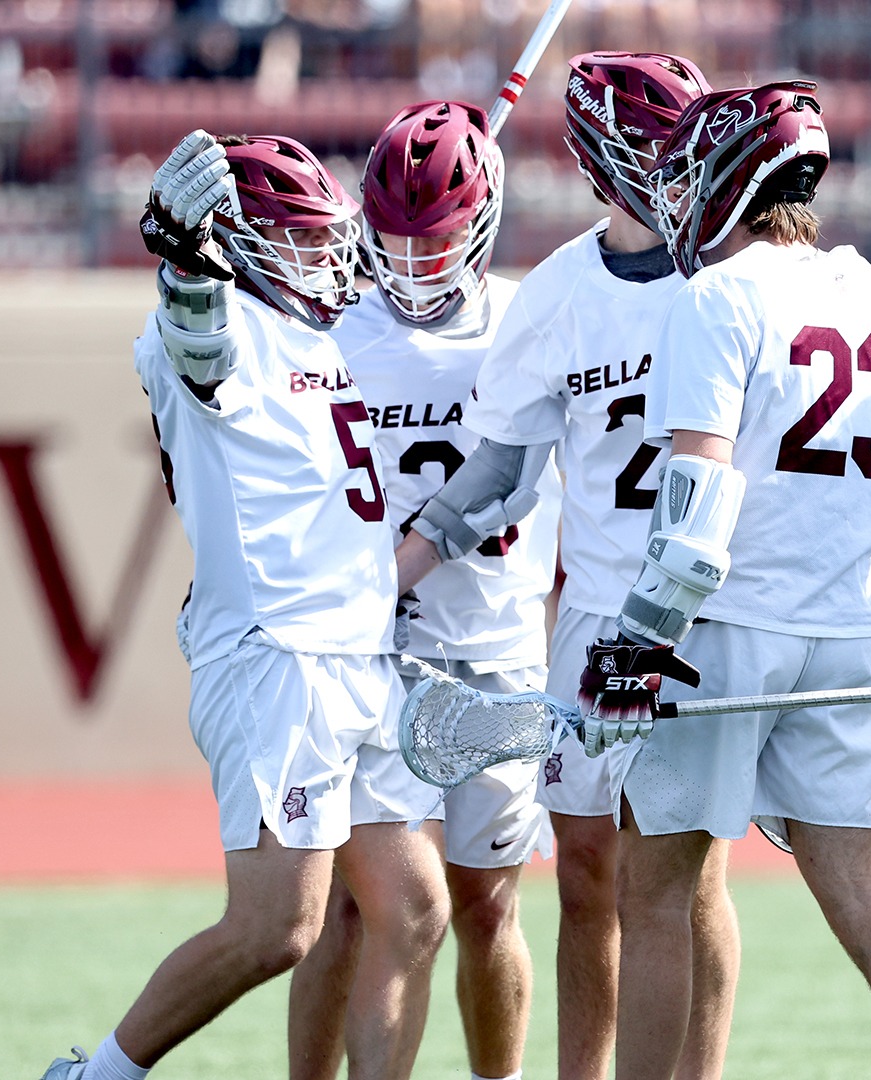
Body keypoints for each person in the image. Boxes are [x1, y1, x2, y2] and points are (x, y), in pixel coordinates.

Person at [574, 80, 871, 1080]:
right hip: (839, 636)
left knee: (657, 895)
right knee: (863, 893)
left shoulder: (716, 298)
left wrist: (637, 646)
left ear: (732, 178)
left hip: (721, 634)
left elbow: (696, 513)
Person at [41, 132, 448, 1080]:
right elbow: (195, 332)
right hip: (281, 660)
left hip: (354, 658)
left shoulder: (314, 332)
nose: (326, 256)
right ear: (243, 242)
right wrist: (184, 261)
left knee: (414, 907)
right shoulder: (214, 331)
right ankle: (96, 1075)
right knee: (278, 930)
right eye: (301, 240)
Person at [391, 53, 741, 1080]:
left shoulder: (736, 274)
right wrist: (387, 582)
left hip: (704, 616)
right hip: (595, 619)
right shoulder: (555, 297)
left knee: (684, 874)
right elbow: (497, 475)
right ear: (599, 158)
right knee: (586, 870)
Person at [282, 100, 558, 1080]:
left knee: (489, 905)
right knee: (362, 909)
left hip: (497, 643)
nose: (412, 266)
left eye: (434, 244)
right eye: (395, 244)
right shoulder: (331, 336)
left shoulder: (535, 322)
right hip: (373, 657)